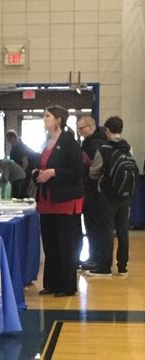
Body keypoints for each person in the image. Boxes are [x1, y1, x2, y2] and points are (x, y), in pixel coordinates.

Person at [33, 105, 84, 297]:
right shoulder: (46, 142)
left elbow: (78, 171)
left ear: (58, 120)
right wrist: (37, 173)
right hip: (47, 199)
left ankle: (67, 285)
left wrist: (54, 173)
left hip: (65, 200)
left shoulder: (69, 142)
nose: (44, 119)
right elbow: (39, 165)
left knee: (65, 243)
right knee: (50, 243)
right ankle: (52, 283)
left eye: (48, 116)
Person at [88, 116, 135, 277]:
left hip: (108, 195)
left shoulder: (104, 149)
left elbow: (93, 172)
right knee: (123, 230)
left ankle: (104, 267)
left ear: (107, 130)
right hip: (125, 195)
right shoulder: (128, 148)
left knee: (106, 231)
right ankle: (123, 267)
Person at [76, 115, 107, 271]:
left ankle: (97, 258)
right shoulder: (91, 142)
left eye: (82, 128)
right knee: (92, 227)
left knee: (94, 227)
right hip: (92, 190)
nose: (80, 131)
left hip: (95, 191)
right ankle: (94, 257)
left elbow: (94, 168)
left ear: (91, 127)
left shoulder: (94, 144)